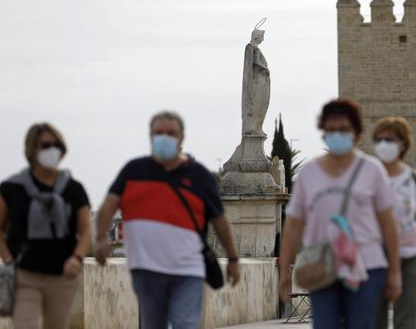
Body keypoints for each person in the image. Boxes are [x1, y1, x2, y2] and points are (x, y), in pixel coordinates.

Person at [95, 111, 241, 329]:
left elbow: (220, 221)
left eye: (171, 133)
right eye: (159, 132)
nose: (164, 137)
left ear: (182, 137)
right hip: (146, 269)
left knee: (184, 324)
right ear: (150, 136)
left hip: (188, 270)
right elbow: (108, 206)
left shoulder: (199, 176)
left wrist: (233, 259)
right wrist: (100, 238)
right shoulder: (133, 170)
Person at [279, 99, 401, 329]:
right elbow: (293, 225)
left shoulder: (372, 170)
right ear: (323, 131)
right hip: (322, 266)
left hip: (367, 267)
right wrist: (284, 272)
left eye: (343, 129)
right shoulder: (309, 173)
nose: (337, 134)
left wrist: (394, 271)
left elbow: (388, 224)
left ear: (356, 132)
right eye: (331, 129)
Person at [0, 123, 92, 329]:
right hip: (24, 275)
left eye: (57, 145)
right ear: (32, 149)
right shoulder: (12, 188)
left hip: (62, 277)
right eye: (46, 145)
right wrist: (7, 259)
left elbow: (85, 230)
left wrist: (77, 258)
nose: (52, 150)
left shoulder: (73, 189)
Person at [372, 117, 416, 329]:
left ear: (403, 143)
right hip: (375, 258)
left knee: (406, 322)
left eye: (390, 139)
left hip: (411, 257)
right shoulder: (368, 177)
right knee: (375, 321)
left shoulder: (414, 179)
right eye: (380, 139)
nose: (384, 144)